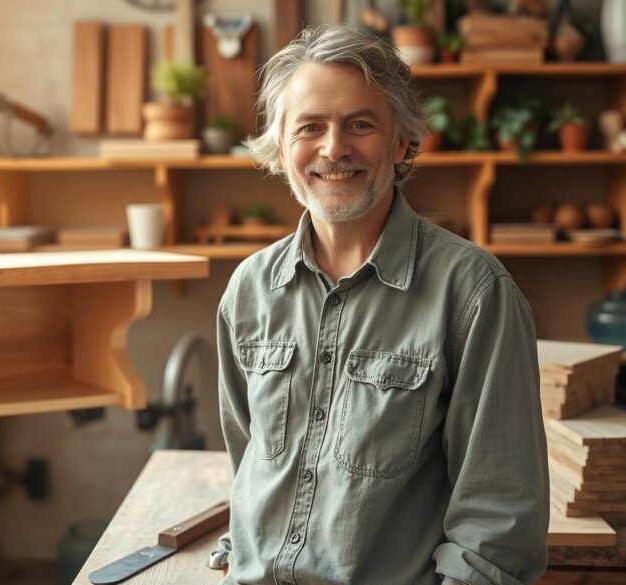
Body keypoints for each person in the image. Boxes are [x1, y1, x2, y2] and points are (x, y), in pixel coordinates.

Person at [213, 25, 549, 585]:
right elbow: (246, 464)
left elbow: (498, 522)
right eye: (309, 127)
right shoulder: (248, 289)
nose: (333, 148)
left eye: (360, 124)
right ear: (281, 146)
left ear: (399, 143)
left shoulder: (474, 292)